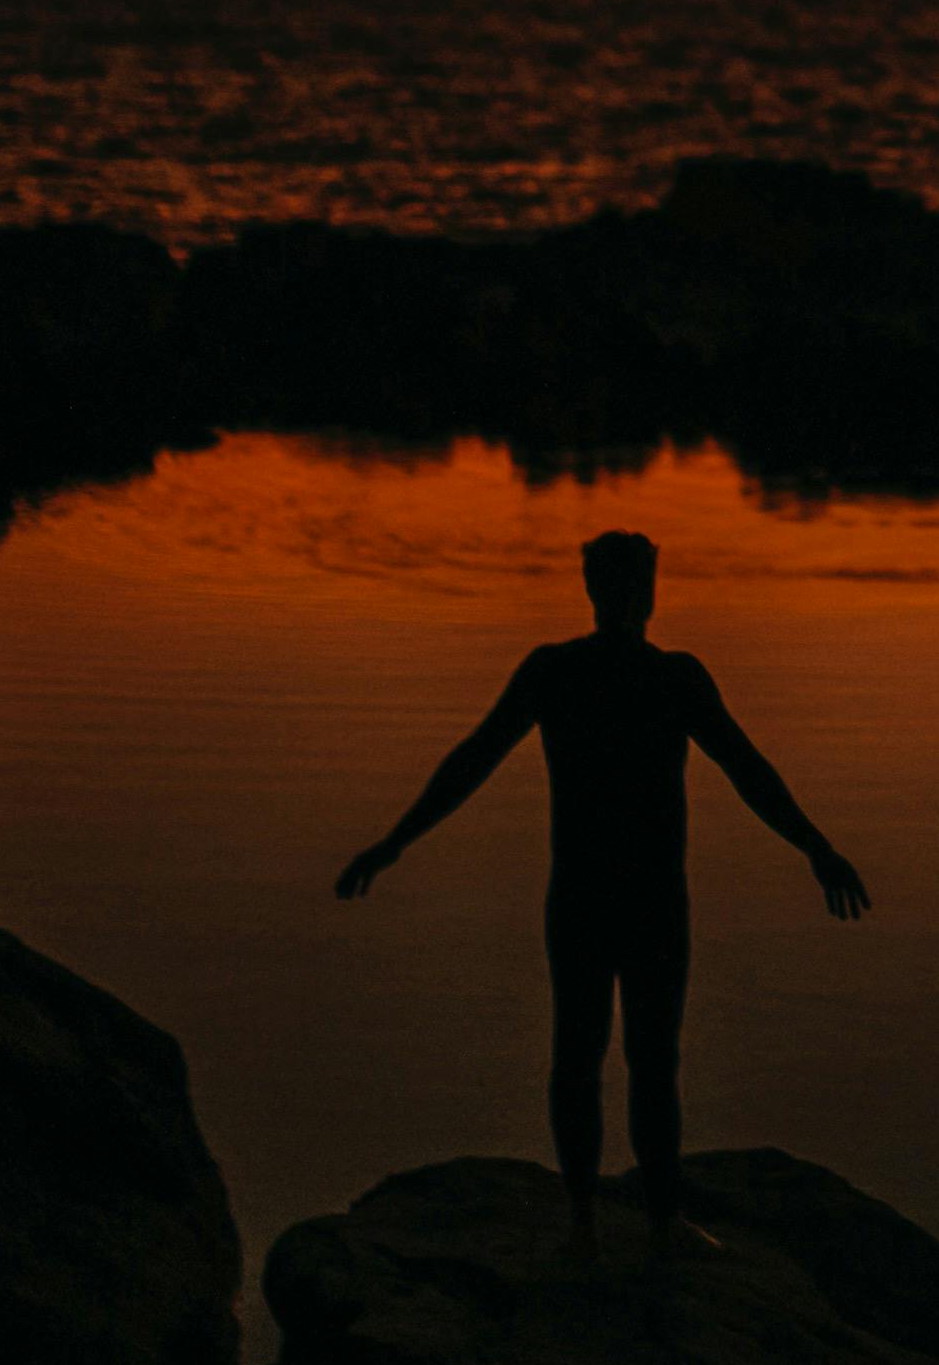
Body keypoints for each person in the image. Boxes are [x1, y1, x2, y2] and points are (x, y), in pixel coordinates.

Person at [337, 528, 868, 1241]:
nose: (628, 597)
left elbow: (748, 769)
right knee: (602, 1057)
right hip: (614, 897)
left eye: (634, 585)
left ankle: (627, 1216)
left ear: (637, 592)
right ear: (615, 591)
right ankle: (609, 1216)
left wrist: (817, 847)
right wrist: (395, 841)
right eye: (623, 585)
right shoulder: (588, 674)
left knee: (625, 1058)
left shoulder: (634, 675)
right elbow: (475, 758)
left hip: (623, 898)